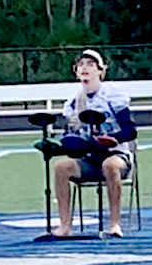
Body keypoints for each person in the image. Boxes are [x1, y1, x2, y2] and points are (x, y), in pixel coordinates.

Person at [52, 49, 137, 237]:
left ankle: (115, 224)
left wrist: (112, 139)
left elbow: (130, 130)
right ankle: (65, 225)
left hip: (116, 156)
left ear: (100, 71)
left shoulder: (112, 95)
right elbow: (73, 136)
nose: (85, 68)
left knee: (110, 165)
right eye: (81, 65)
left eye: (90, 65)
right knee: (61, 167)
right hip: (90, 159)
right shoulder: (74, 102)